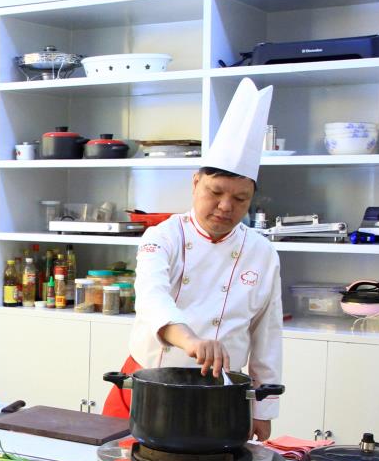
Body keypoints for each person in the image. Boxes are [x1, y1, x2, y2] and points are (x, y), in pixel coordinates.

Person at [103, 79, 282, 441]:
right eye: (215, 192)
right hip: (147, 384)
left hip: (221, 394)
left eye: (241, 199)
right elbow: (152, 299)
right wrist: (191, 341)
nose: (226, 207)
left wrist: (263, 409)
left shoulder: (262, 252)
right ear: (196, 182)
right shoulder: (163, 236)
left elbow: (267, 334)